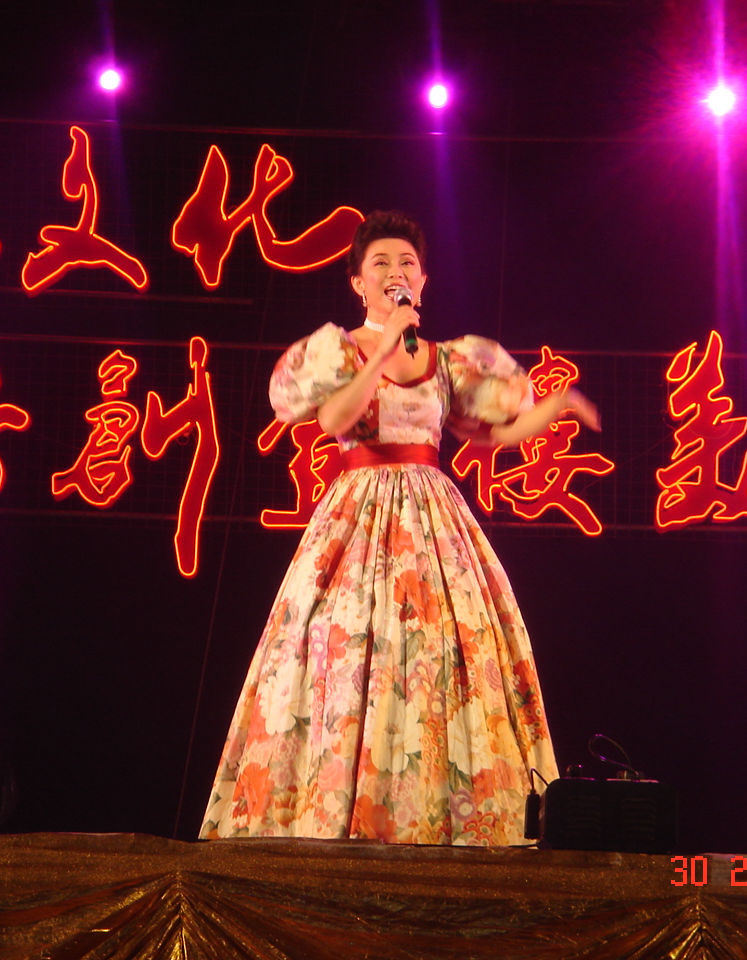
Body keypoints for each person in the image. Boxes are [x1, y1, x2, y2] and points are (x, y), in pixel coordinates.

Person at [201, 210, 600, 846]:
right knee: (343, 652)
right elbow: (335, 419)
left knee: (442, 657)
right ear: (358, 283)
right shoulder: (340, 351)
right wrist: (382, 349)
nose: (396, 273)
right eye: (381, 264)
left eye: (407, 263)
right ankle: (335, 811)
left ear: (424, 281)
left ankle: (441, 817)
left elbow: (491, 435)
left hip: (433, 518)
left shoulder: (447, 360)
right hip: (357, 515)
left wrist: (555, 407)